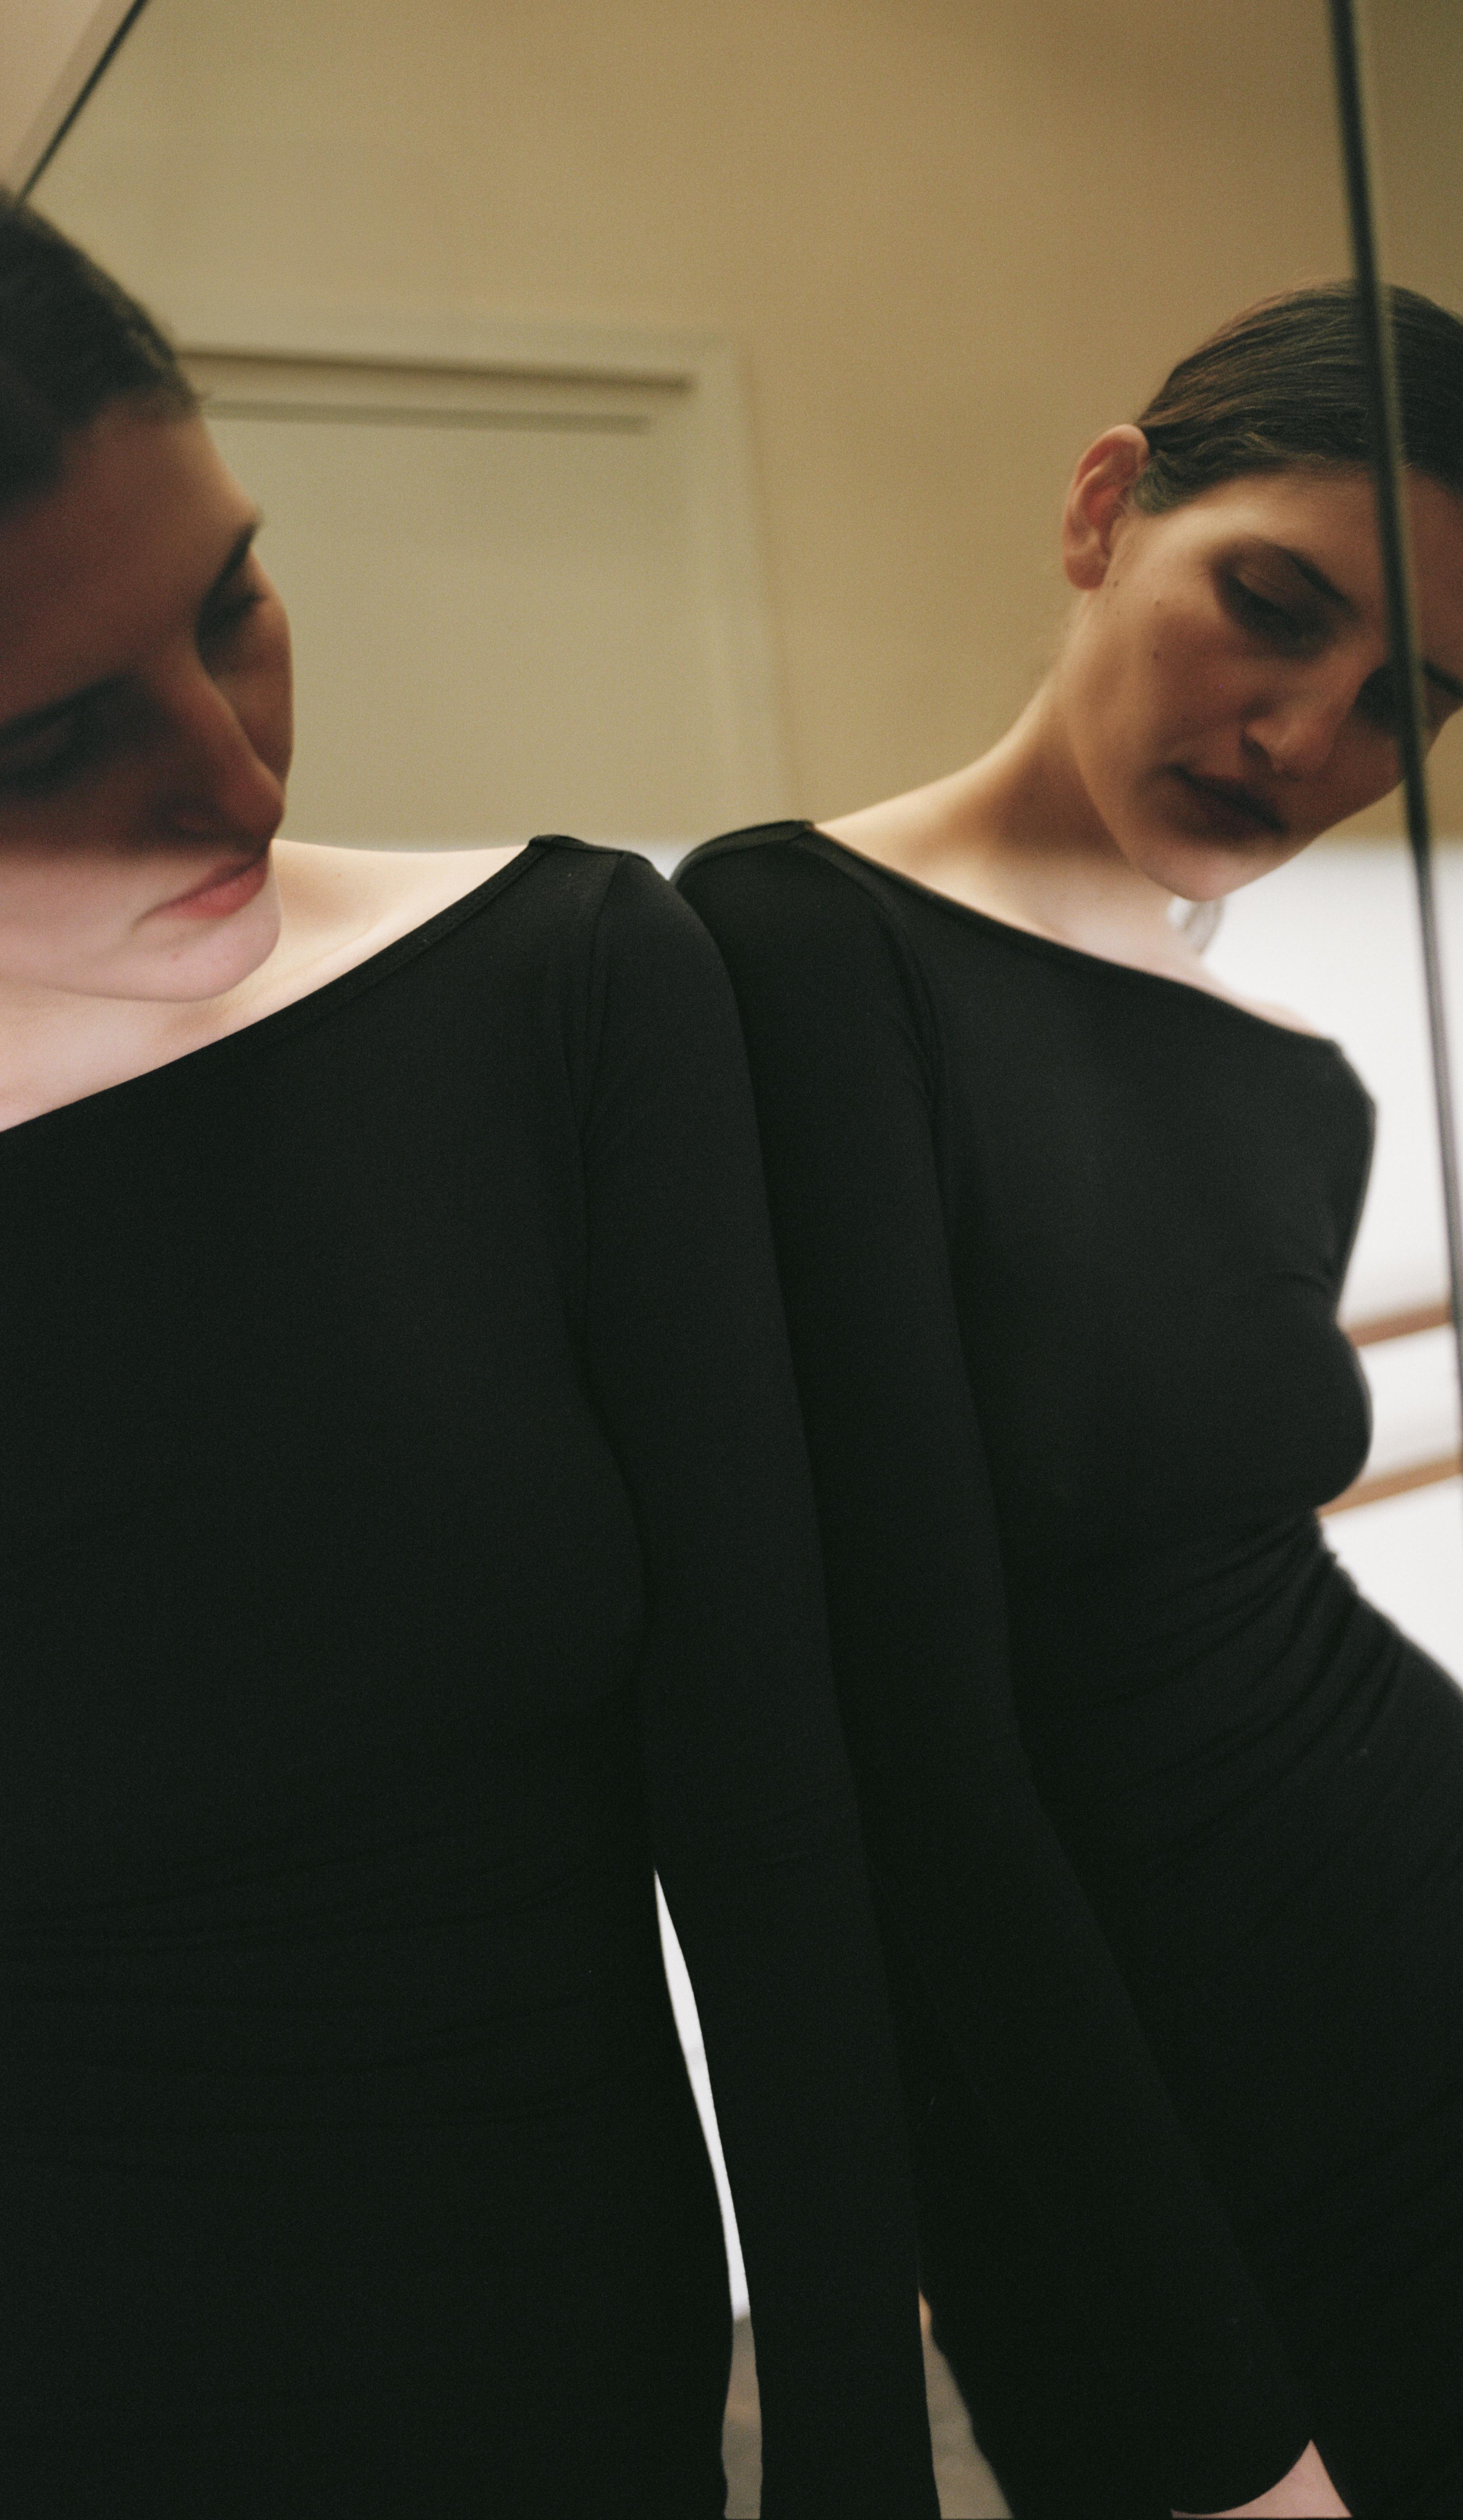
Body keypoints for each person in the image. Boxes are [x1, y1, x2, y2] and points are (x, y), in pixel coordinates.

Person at [675, 283, 1463, 2518]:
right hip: (1126, 2133)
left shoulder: (1294, 1089)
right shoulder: (799, 952)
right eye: (1274, 609)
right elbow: (911, 1753)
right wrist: (1201, 2413)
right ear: (1107, 509)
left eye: (1405, 704)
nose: (1306, 736)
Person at [0, 198, 940, 2519]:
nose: (233, 778)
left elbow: (781, 1831)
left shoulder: (562, 987)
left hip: (550, 2388)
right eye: (46, 738)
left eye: (232, 605)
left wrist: (856, 2467)